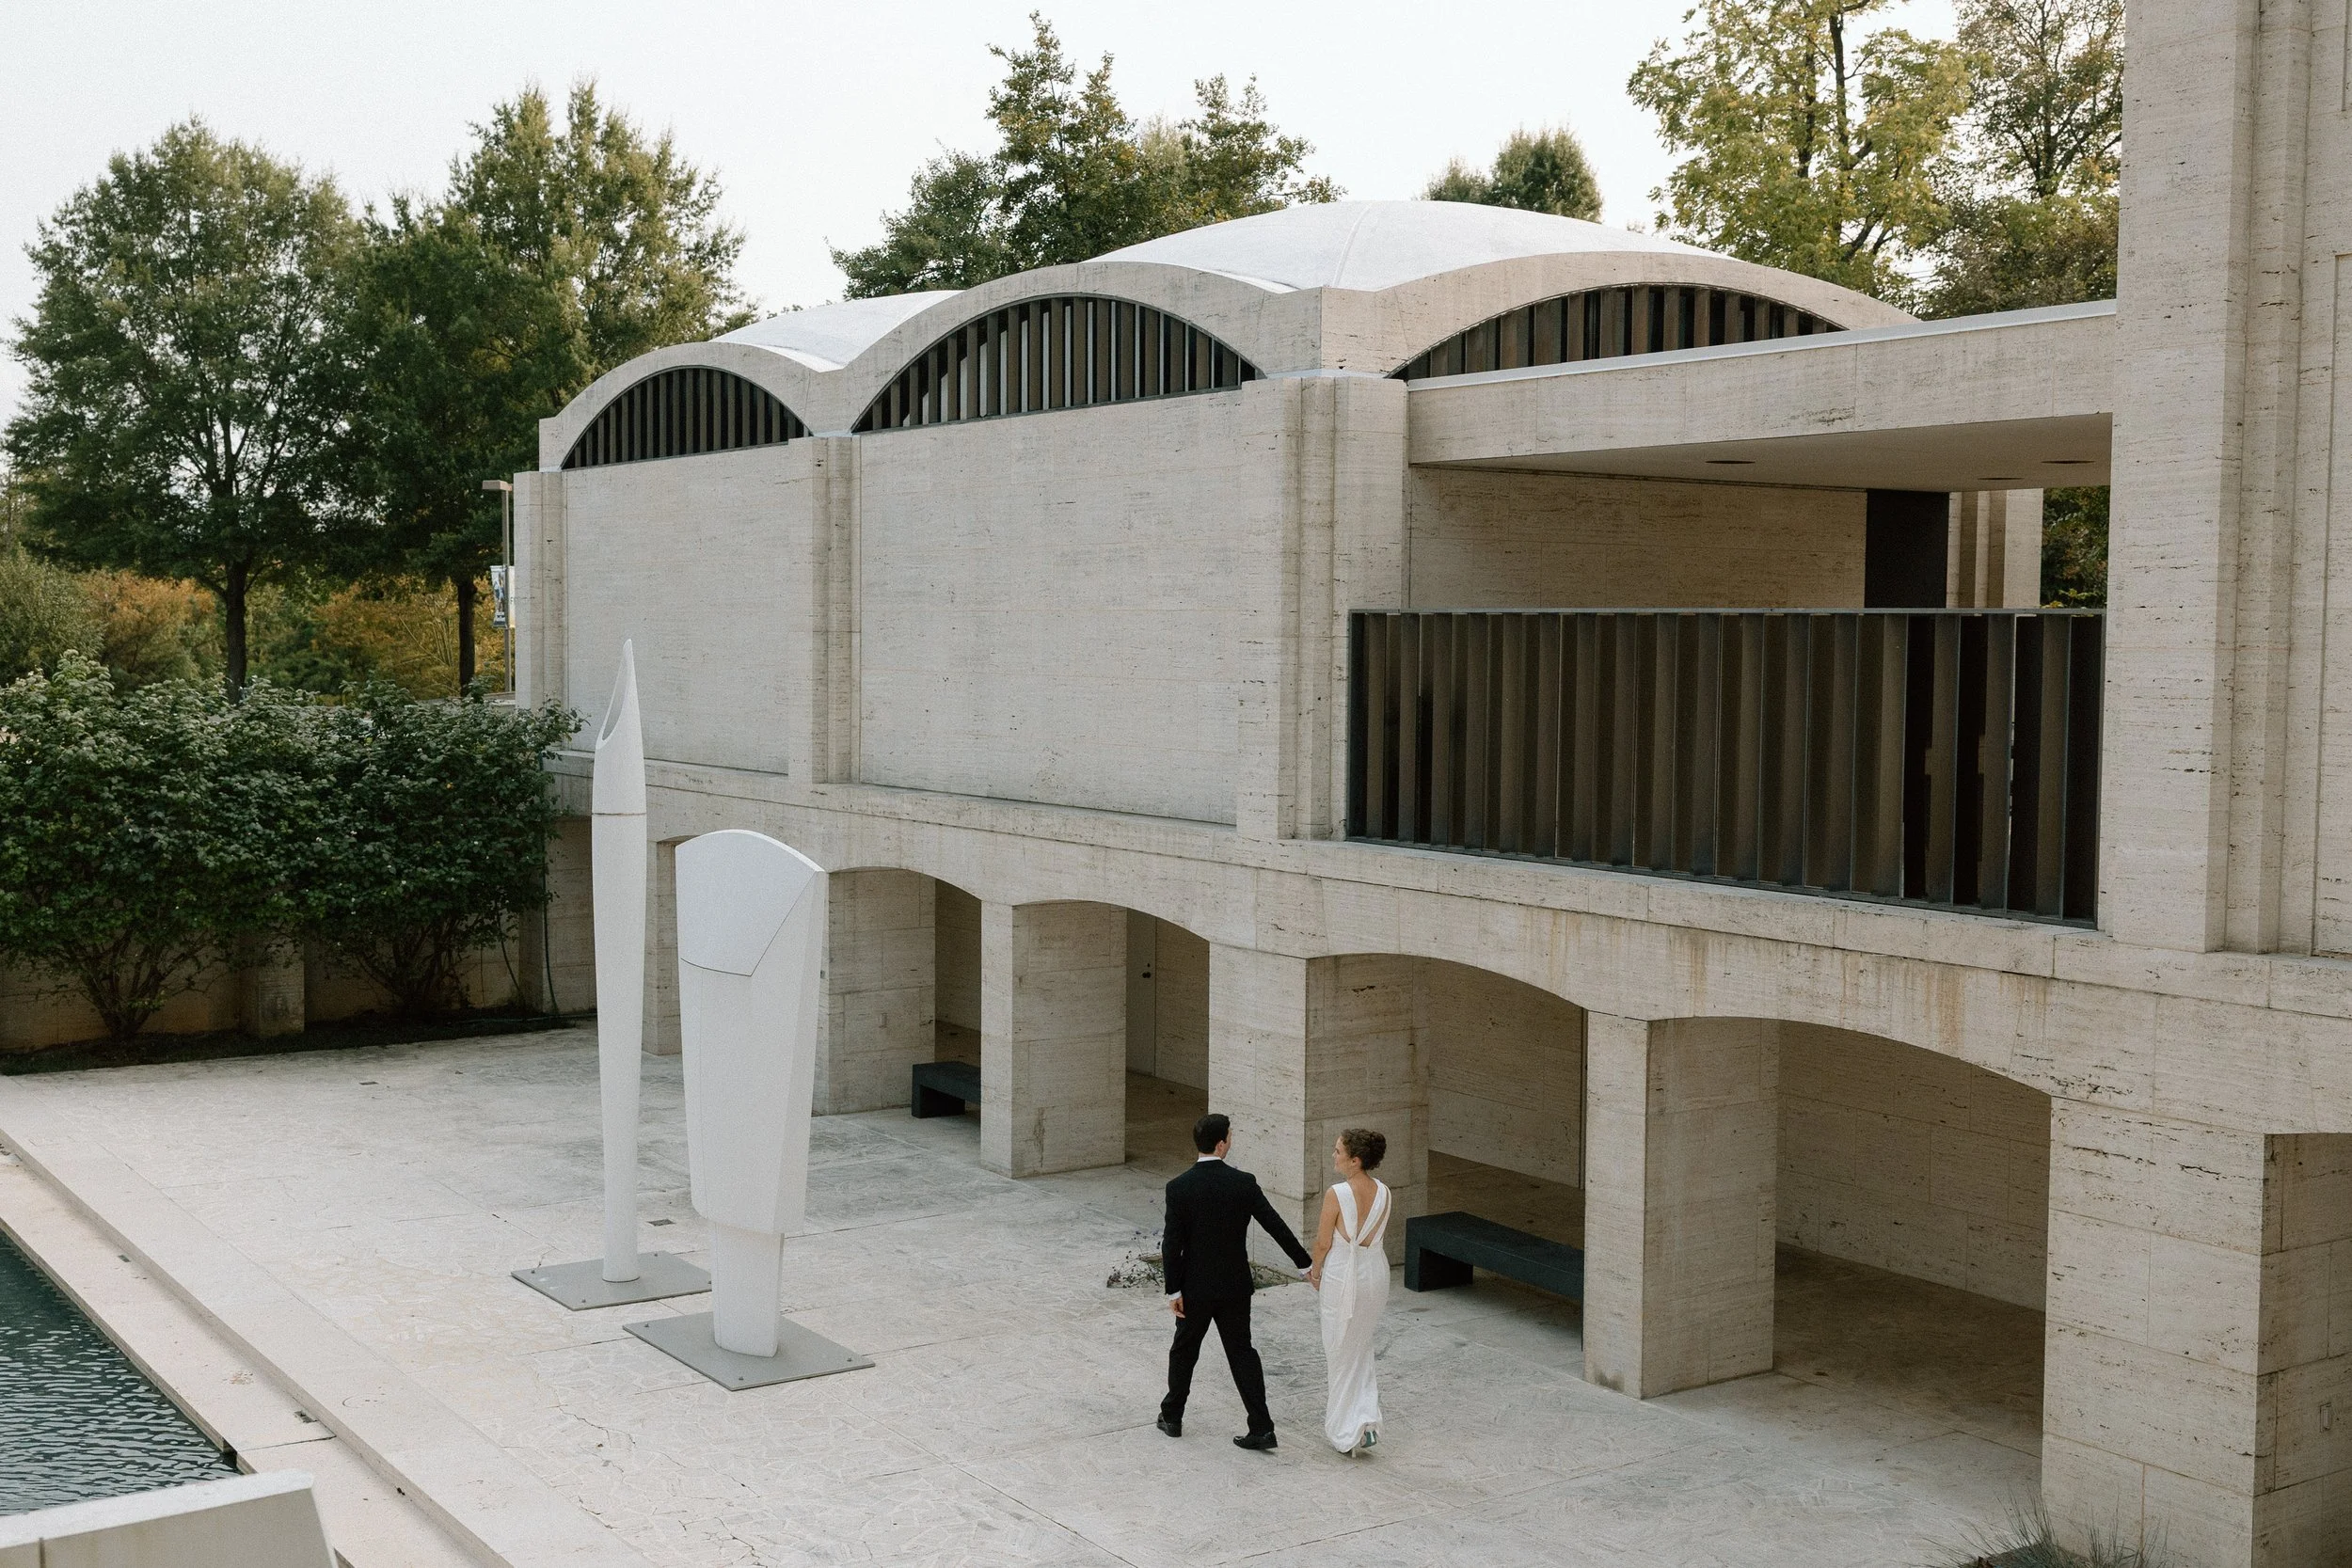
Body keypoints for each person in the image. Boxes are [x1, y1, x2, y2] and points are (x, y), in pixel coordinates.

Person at [1157, 1112, 1313, 1451]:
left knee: (1184, 1350)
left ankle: (1172, 1417)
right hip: (1234, 1287)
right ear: (1221, 1143)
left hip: (1195, 1289)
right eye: (1230, 1135)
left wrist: (1174, 1289)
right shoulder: (1243, 1183)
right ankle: (1261, 1427)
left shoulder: (1179, 1188)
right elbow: (1274, 1224)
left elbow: (1172, 1243)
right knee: (1242, 1353)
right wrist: (1304, 1264)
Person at [1308, 1127, 1391, 1455]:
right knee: (1360, 1346)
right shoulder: (1385, 1191)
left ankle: (1347, 1430)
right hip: (1375, 1273)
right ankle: (1365, 1418)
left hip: (1345, 1276)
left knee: (1340, 1350)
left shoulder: (1337, 1193)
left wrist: (1316, 1271)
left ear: (1355, 1160)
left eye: (1339, 1152)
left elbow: (1323, 1242)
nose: (1334, 1155)